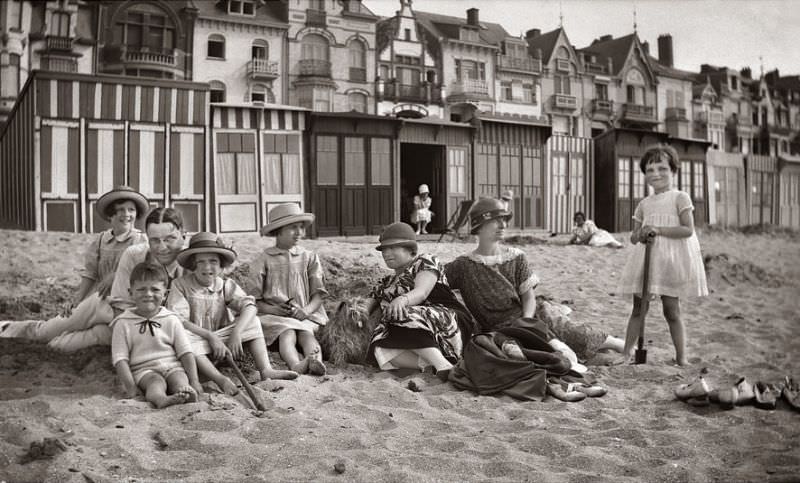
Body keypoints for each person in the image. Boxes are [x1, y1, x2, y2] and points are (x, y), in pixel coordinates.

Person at [445, 197, 625, 362]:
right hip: (499, 331)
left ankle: (618, 344)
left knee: (575, 334)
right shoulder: (463, 266)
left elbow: (528, 297)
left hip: (530, 316)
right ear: (480, 226)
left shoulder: (516, 257)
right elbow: (433, 277)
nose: (502, 225)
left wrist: (526, 322)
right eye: (495, 221)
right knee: (545, 356)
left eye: (504, 220)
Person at [168, 233, 298, 394]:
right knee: (183, 336)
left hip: (224, 339)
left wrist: (236, 332)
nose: (207, 267)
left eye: (213, 261)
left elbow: (250, 306)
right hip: (197, 338)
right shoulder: (180, 285)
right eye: (201, 261)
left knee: (253, 321)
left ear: (221, 264)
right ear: (194, 264)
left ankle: (266, 369)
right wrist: (210, 336)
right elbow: (179, 320)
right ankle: (220, 379)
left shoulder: (224, 285)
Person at [618, 145, 708, 366]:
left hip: (670, 261)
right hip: (647, 261)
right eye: (650, 170)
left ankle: (681, 357)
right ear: (645, 174)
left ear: (674, 170)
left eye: (662, 168)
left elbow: (688, 230)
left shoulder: (680, 197)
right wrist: (641, 234)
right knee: (639, 308)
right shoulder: (644, 204)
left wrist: (658, 230)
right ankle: (626, 354)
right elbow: (633, 237)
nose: (656, 174)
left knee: (672, 311)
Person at [365, 222, 472, 380]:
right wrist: (360, 312)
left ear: (410, 249)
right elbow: (368, 303)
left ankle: (443, 364)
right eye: (384, 249)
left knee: (399, 314)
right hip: (410, 328)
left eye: (393, 248)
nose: (386, 253)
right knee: (379, 345)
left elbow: (422, 292)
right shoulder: (386, 282)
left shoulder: (425, 262)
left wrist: (402, 300)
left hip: (445, 318)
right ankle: (432, 366)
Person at [110, 263, 202, 409]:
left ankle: (184, 393)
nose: (148, 294)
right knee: (155, 382)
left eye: (155, 289)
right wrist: (131, 388)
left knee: (179, 379)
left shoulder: (171, 319)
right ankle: (161, 399)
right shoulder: (122, 323)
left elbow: (186, 352)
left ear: (165, 294)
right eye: (141, 289)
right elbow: (120, 360)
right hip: (144, 371)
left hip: (172, 366)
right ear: (130, 292)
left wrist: (194, 380)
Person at [254, 204, 328, 376]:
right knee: (287, 334)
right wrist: (273, 309)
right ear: (278, 231)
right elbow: (253, 301)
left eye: (301, 227)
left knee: (306, 335)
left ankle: (316, 361)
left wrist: (306, 310)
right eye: (293, 228)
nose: (299, 233)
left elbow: (318, 294)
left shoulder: (309, 257)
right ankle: (295, 365)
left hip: (303, 314)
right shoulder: (263, 260)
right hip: (275, 316)